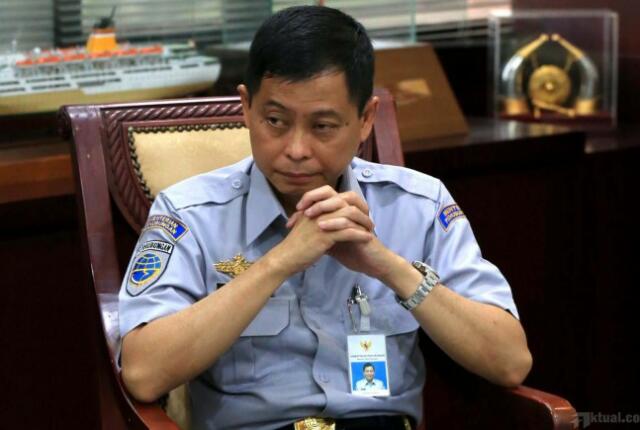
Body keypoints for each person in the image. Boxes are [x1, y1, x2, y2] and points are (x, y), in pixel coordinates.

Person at [118, 5, 532, 430]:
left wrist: (388, 266)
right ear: (246, 107)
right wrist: (279, 263)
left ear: (365, 119)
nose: (296, 150)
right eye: (275, 121)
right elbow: (143, 374)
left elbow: (510, 361)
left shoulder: (417, 206)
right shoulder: (190, 214)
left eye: (323, 127)